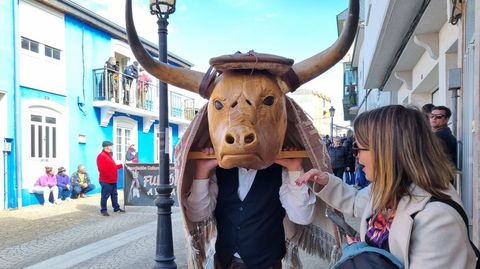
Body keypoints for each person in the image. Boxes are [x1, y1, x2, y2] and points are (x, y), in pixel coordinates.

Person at [296, 105, 477, 268]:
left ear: (385, 150)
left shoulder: (437, 218)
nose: (356, 156)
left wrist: (362, 257)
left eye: (358, 148)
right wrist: (326, 182)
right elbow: (357, 201)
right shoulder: (391, 188)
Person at [184, 147, 316, 269]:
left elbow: (302, 217)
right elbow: (197, 215)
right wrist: (202, 171)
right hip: (225, 261)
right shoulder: (218, 170)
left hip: (267, 263)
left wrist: (295, 169)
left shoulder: (280, 171)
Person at [97, 140, 124, 216]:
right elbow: (101, 169)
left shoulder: (109, 155)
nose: (112, 147)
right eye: (111, 145)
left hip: (112, 180)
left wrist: (121, 165)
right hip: (106, 181)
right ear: (107, 147)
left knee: (114, 195)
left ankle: (116, 208)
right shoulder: (101, 156)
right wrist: (109, 177)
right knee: (105, 196)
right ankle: (103, 210)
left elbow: (113, 167)